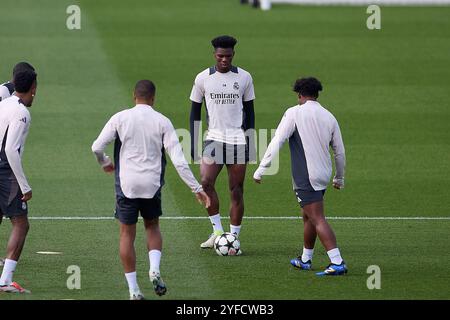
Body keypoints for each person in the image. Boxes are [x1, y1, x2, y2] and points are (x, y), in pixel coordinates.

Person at [92, 80, 210, 300]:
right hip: (152, 185)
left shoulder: (120, 118)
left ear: (133, 95)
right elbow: (179, 161)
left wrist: (105, 162)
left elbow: (96, 146)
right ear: (153, 98)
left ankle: (134, 290)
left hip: (127, 185)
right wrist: (197, 188)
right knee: (152, 226)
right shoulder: (163, 122)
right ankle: (154, 269)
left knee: (127, 233)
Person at [253, 77, 348, 276]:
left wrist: (261, 168)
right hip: (323, 174)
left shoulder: (294, 113)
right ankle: (305, 258)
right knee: (308, 217)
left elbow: (277, 141)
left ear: (299, 95)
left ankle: (337, 262)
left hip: (306, 176)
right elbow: (339, 152)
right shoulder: (329, 116)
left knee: (317, 218)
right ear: (317, 94)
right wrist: (339, 178)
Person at [190, 35, 255, 252]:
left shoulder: (245, 77)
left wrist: (251, 142)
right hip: (214, 138)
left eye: (228, 56)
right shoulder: (202, 78)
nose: (224, 60)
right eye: (220, 56)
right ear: (214, 55)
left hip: (238, 139)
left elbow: (251, 112)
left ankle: (234, 238)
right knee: (205, 183)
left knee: (236, 189)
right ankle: (217, 232)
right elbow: (194, 112)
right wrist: (193, 142)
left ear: (233, 54)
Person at [0, 68, 37, 293]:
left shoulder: (2, 103)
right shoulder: (22, 113)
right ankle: (5, 280)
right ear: (33, 89)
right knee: (21, 223)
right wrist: (25, 185)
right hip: (5, 171)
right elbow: (11, 150)